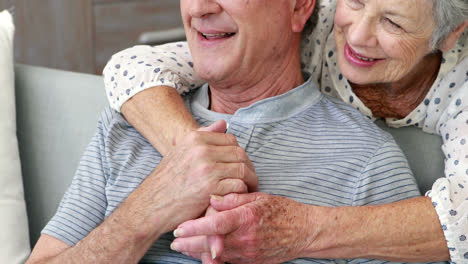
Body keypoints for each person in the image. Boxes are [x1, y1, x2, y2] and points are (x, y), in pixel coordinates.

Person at [26, 0, 430, 263]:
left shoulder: (367, 161)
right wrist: (142, 214)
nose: (199, 9)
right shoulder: (127, 123)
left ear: (299, 7)